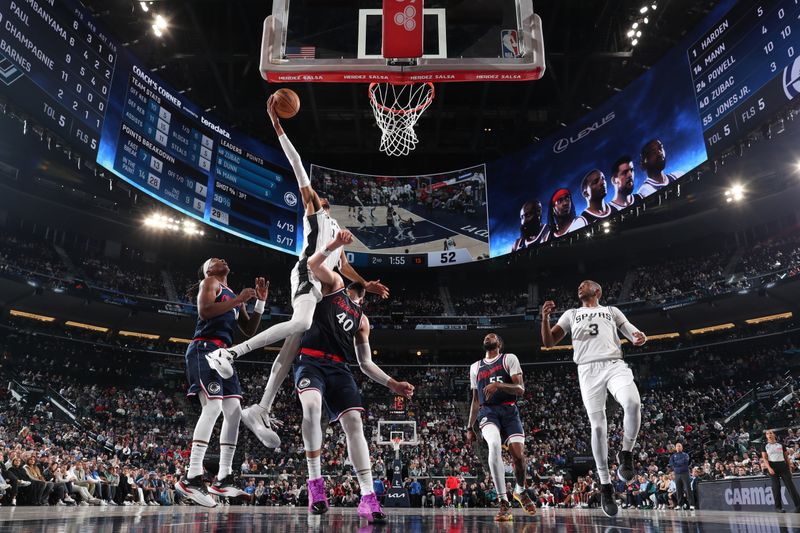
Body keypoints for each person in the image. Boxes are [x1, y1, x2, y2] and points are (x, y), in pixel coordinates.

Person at [206, 96, 388, 448]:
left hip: (328, 292)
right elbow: (298, 165)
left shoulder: (337, 232)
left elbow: (345, 266)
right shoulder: (315, 212)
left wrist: (367, 284)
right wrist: (277, 125)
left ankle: (261, 406)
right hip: (308, 275)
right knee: (302, 325)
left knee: (293, 344)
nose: (316, 196)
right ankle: (231, 353)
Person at [293, 229, 414, 523]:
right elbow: (312, 265)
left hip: (339, 368)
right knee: (311, 408)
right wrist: (334, 244)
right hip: (310, 361)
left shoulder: (363, 321)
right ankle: (315, 486)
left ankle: (367, 496)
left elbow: (366, 363)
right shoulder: (334, 285)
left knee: (354, 422)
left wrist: (392, 382)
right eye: (361, 283)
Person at [541, 280, 647, 517]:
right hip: (587, 370)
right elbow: (548, 342)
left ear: (598, 291)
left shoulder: (611, 311)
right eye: (578, 285)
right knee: (598, 427)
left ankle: (626, 453)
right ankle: (606, 484)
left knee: (632, 402)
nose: (580, 286)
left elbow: (631, 331)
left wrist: (640, 337)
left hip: (613, 363)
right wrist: (545, 318)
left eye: (586, 284)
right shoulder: (571, 314)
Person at [176, 257, 267, 507]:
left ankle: (223, 478)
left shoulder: (230, 292)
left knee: (234, 411)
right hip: (204, 348)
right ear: (207, 269)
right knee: (213, 406)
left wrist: (259, 300)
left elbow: (248, 330)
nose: (222, 260)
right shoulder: (210, 282)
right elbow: (204, 311)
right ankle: (192, 476)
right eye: (215, 259)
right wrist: (238, 300)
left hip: (224, 354)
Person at [467, 333, 538, 521]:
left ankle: (520, 491)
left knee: (519, 457)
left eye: (491, 336)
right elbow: (475, 401)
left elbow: (520, 389)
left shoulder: (509, 359)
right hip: (488, 412)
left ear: (499, 343)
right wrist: (469, 427)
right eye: (485, 337)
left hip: (509, 411)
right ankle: (503, 502)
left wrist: (498, 385)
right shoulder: (475, 367)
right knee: (495, 445)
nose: (487, 338)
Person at [762, 429, 800, 513]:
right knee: (776, 487)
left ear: (774, 434)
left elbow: (786, 457)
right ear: (766, 436)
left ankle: (798, 506)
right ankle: (778, 507)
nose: (769, 434)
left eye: (771, 433)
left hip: (783, 466)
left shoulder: (781, 444)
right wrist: (769, 468)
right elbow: (764, 458)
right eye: (767, 433)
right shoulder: (765, 445)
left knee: (790, 486)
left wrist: (789, 468)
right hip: (772, 466)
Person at [668, 442, 694, 510]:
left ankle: (691, 504)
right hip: (677, 474)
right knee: (678, 490)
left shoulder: (685, 455)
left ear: (682, 447)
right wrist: (679, 463)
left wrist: (676, 463)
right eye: (677, 446)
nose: (678, 447)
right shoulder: (673, 456)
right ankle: (680, 504)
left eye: (680, 446)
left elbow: (685, 462)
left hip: (685, 473)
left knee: (688, 489)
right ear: (675, 448)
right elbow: (671, 464)